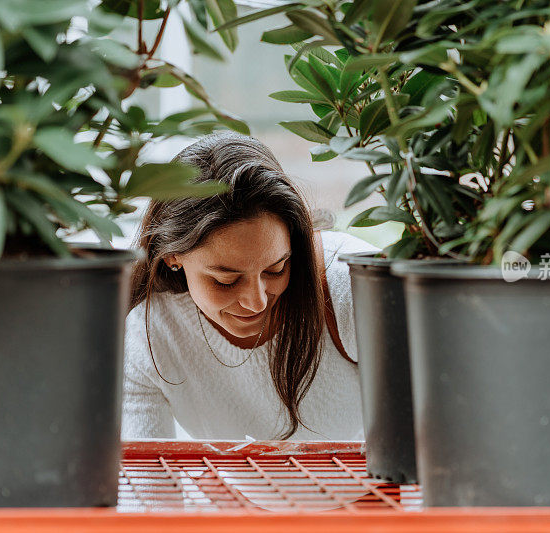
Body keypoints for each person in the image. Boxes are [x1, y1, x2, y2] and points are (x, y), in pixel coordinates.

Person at [123, 132, 378, 440]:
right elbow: (150, 479)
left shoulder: (350, 283)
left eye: (276, 269)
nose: (256, 302)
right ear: (172, 256)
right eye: (225, 280)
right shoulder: (148, 334)